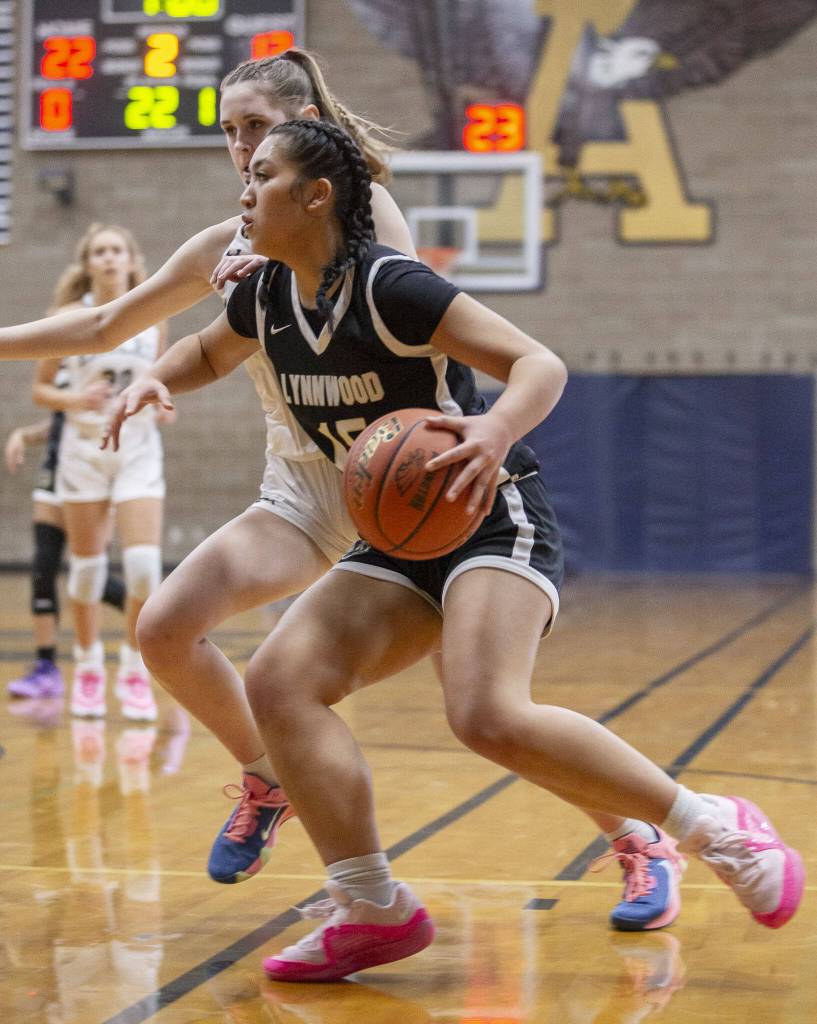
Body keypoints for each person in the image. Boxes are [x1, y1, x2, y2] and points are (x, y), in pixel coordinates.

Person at [108, 119, 804, 982]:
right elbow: (207, 351)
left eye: (262, 173)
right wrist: (151, 379)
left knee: (484, 714)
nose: (243, 190)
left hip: (489, 511)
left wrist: (493, 429)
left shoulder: (391, 286)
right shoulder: (265, 295)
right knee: (279, 683)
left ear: (315, 195)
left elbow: (537, 363)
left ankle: (715, 829)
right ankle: (370, 906)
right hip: (395, 537)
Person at [1, 52, 681, 931]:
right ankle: (269, 777)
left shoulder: (358, 223)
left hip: (402, 484)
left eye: (255, 128)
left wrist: (285, 283)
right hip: (302, 483)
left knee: (485, 708)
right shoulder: (227, 240)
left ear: (302, 126)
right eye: (229, 133)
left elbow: (387, 325)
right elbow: (103, 324)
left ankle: (635, 835)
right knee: (166, 625)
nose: (241, 150)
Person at [30, 223, 171, 721]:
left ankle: (133, 671)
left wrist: (162, 399)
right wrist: (74, 399)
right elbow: (41, 391)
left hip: (136, 448)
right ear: (87, 263)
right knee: (88, 570)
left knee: (142, 569)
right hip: (84, 450)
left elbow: (158, 377)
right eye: (99, 252)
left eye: (117, 250)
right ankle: (88, 668)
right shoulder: (67, 317)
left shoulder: (153, 316)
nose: (109, 258)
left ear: (131, 260)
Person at [4, 408, 126, 701]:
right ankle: (46, 667)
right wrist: (23, 434)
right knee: (42, 569)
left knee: (91, 577)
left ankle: (156, 621)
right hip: (55, 472)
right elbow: (61, 418)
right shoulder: (61, 368)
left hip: (94, 472)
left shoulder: (107, 367)